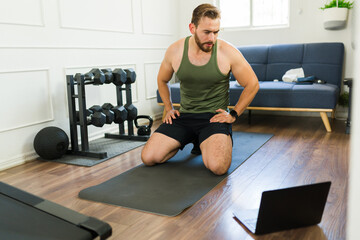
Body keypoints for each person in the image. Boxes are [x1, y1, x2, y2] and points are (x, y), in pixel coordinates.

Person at [141, 3, 259, 175]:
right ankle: (191, 138)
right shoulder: (175, 50)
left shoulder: (227, 51)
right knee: (149, 157)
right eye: (206, 32)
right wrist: (168, 108)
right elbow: (162, 79)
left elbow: (253, 83)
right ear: (192, 28)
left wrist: (233, 114)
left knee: (218, 167)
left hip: (214, 118)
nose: (212, 38)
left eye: (216, 32)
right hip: (185, 116)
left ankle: (211, 139)